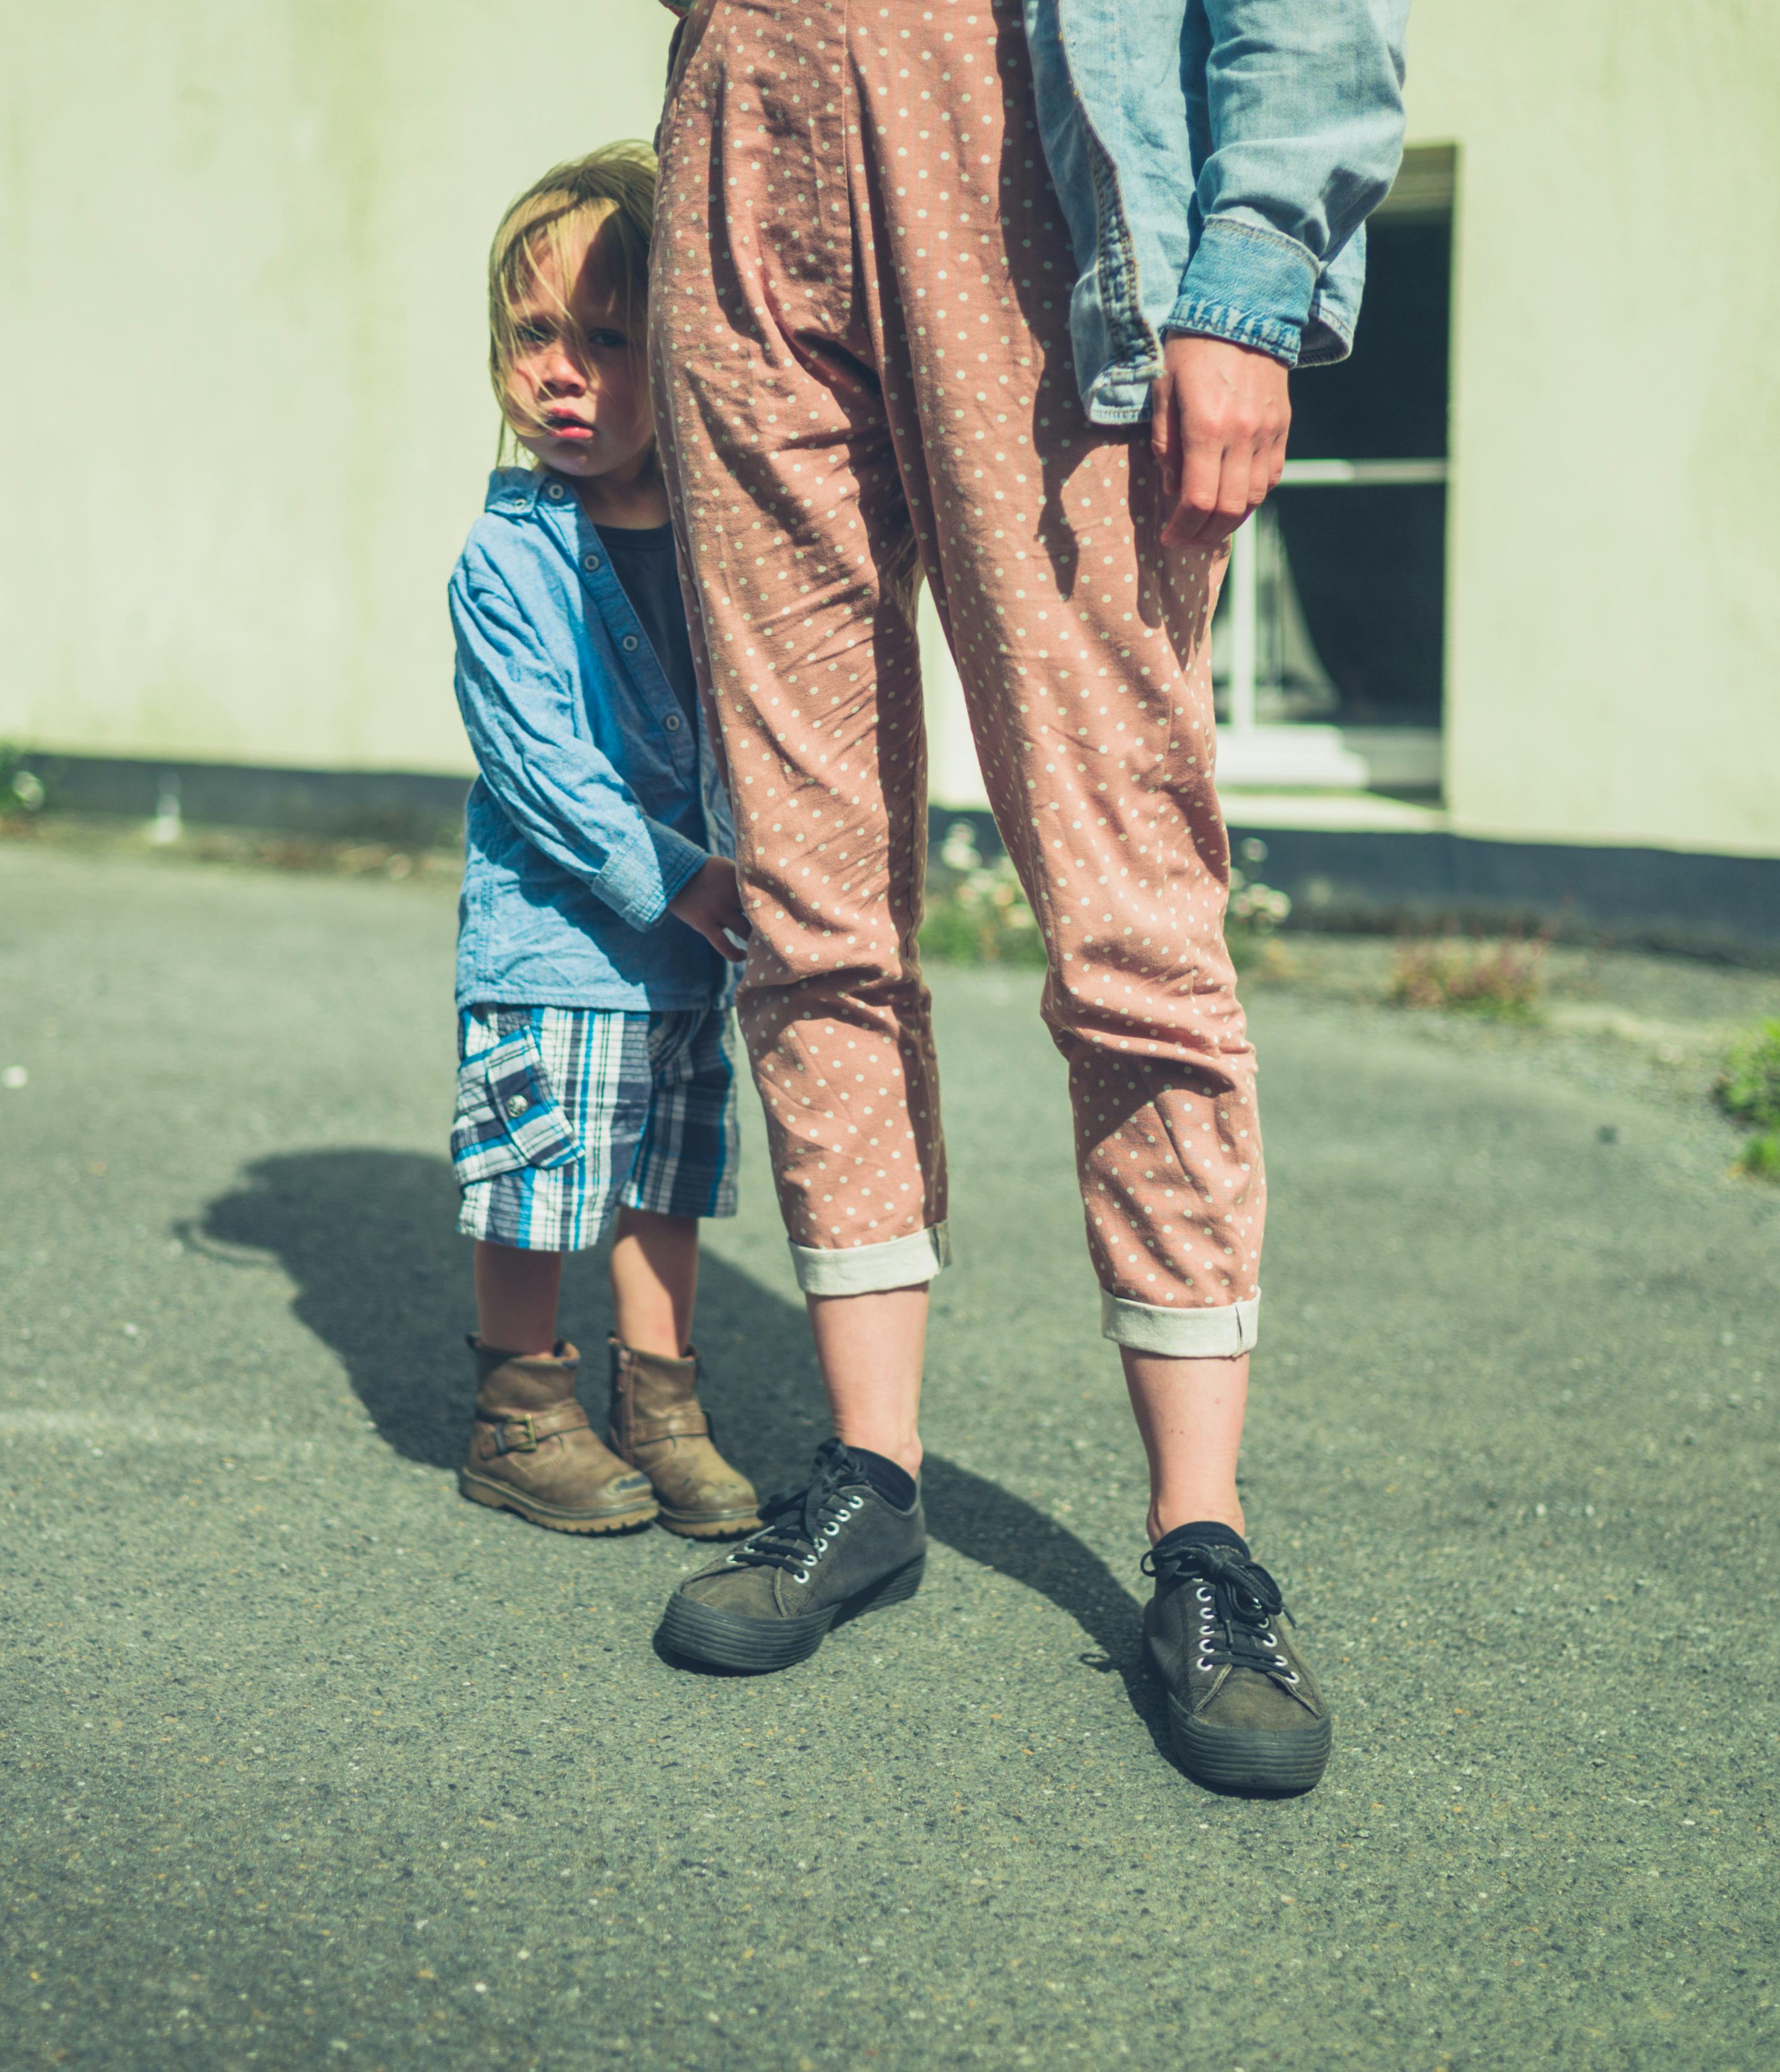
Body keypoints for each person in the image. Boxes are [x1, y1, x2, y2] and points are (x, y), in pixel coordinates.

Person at [644, 0, 1408, 1795]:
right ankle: (872, 1470)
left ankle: (1202, 1546)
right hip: (741, 136)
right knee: (809, 882)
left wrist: (1251, 276)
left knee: (1128, 899)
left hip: (1014, 142)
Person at [443, 143, 762, 1543]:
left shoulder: (720, 545)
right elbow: (543, 773)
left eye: (608, 338)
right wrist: (690, 878)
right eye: (534, 335)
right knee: (539, 1174)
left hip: (688, 959)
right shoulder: (503, 562)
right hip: (560, 942)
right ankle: (519, 1409)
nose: (562, 370)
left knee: (664, 1179)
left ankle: (662, 1404)